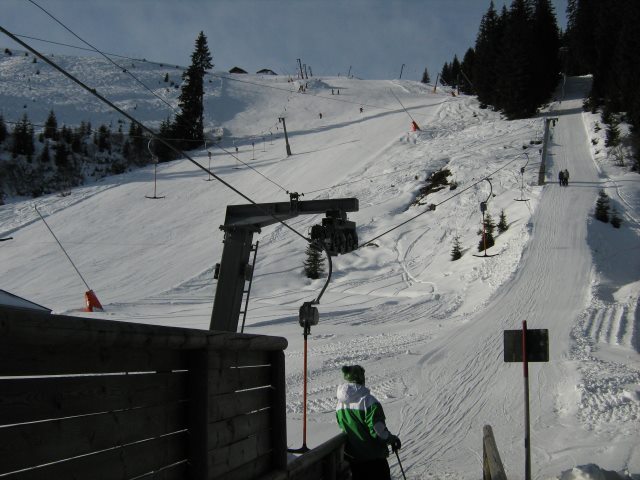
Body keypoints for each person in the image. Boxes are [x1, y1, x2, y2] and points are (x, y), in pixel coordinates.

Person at [336, 365, 401, 480]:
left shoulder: (340, 404)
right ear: (361, 378)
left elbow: (343, 427)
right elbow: (378, 431)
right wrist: (392, 439)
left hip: (355, 461)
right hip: (373, 460)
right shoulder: (369, 401)